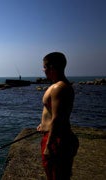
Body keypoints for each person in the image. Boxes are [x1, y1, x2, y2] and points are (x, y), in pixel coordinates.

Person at [37, 52, 79, 180]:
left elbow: (57, 119)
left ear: (52, 67)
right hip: (56, 137)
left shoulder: (58, 88)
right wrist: (43, 125)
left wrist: (49, 146)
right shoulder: (59, 86)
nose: (43, 70)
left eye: (44, 67)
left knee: (56, 175)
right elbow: (52, 112)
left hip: (57, 140)